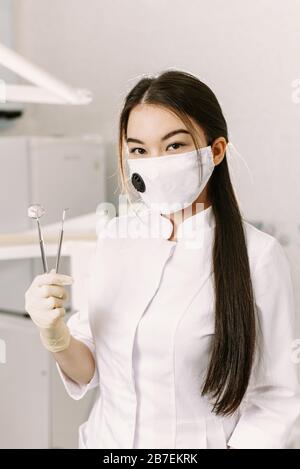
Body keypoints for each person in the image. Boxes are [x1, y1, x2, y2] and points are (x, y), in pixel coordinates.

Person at [25, 70, 300, 449]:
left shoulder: (259, 257)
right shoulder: (116, 237)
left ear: (216, 150)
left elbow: (280, 400)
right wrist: (56, 338)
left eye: (173, 146)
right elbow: (90, 366)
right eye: (139, 149)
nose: (155, 162)